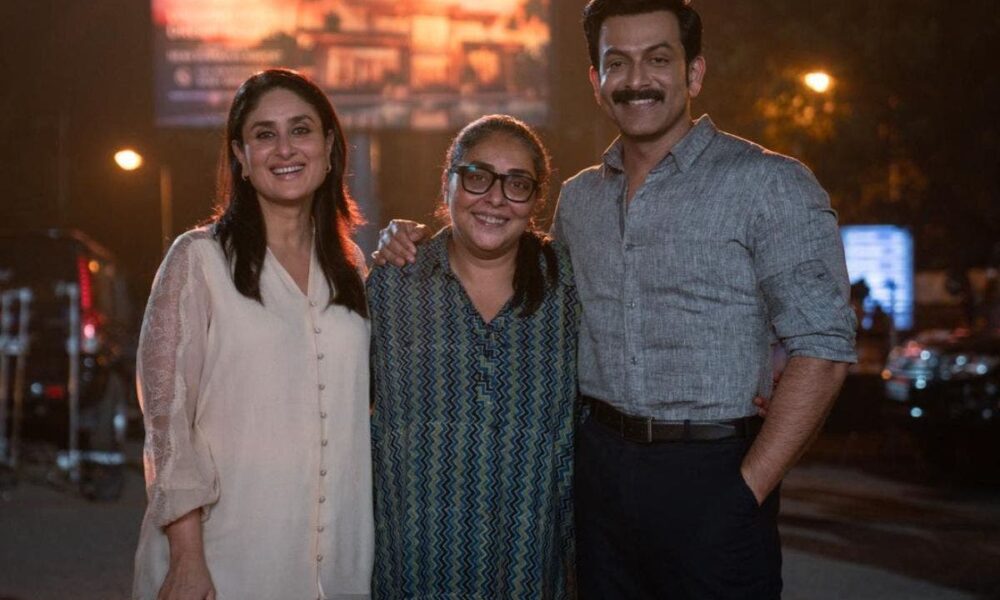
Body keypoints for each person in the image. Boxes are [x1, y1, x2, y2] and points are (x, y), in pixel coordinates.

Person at [374, 0, 857, 597]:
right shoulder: (580, 200)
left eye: (658, 59)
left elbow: (824, 347)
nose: (636, 80)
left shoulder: (767, 183)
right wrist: (400, 239)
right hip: (596, 477)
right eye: (618, 63)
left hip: (713, 472)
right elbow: (520, 281)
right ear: (596, 81)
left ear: (694, 73)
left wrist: (746, 490)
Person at [132, 68, 373, 600]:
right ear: (241, 156)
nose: (284, 148)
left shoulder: (353, 268)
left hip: (339, 564)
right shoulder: (198, 260)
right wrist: (187, 557)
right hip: (224, 558)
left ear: (329, 147)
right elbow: (167, 422)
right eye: (265, 134)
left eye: (301, 130)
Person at [367, 115, 578, 599]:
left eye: (517, 184)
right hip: (414, 562)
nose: (496, 198)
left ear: (536, 200)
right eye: (478, 177)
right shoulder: (395, 282)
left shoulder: (566, 285)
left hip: (529, 563)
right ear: (448, 183)